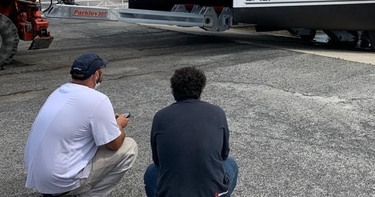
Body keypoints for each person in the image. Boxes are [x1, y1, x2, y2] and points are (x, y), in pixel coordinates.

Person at [24, 53, 138, 196]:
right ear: (96, 74)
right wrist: (119, 125)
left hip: (38, 176)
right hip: (60, 181)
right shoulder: (98, 99)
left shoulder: (58, 91)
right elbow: (114, 144)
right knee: (129, 147)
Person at [144, 66, 238, 197]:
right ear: (200, 90)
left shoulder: (160, 117)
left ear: (173, 91)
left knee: (151, 172)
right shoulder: (217, 113)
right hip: (211, 193)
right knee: (231, 164)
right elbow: (224, 154)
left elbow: (158, 160)